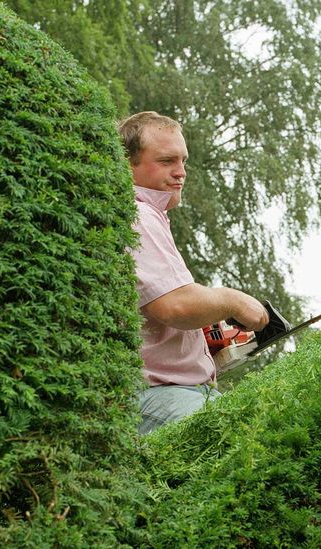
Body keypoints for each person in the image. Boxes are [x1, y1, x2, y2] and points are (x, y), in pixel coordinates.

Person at [118, 111, 269, 435]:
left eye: (183, 161)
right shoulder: (139, 214)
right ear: (127, 162)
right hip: (160, 396)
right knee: (257, 442)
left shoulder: (148, 214)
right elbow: (174, 306)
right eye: (167, 161)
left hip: (170, 394)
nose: (181, 172)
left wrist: (201, 342)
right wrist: (231, 300)